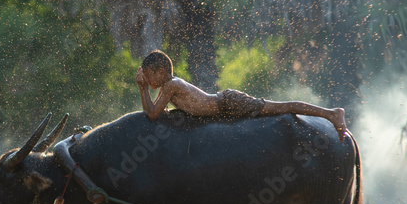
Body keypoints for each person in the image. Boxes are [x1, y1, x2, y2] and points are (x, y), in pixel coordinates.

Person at [136, 50, 349, 142]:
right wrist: (145, 87)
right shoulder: (169, 88)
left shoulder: (172, 85)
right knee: (279, 108)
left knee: (281, 108)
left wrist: (142, 88)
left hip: (228, 103)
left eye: (148, 76)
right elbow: (153, 112)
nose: (147, 81)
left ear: (161, 73)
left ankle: (331, 114)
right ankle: (330, 114)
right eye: (144, 78)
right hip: (224, 108)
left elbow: (153, 114)